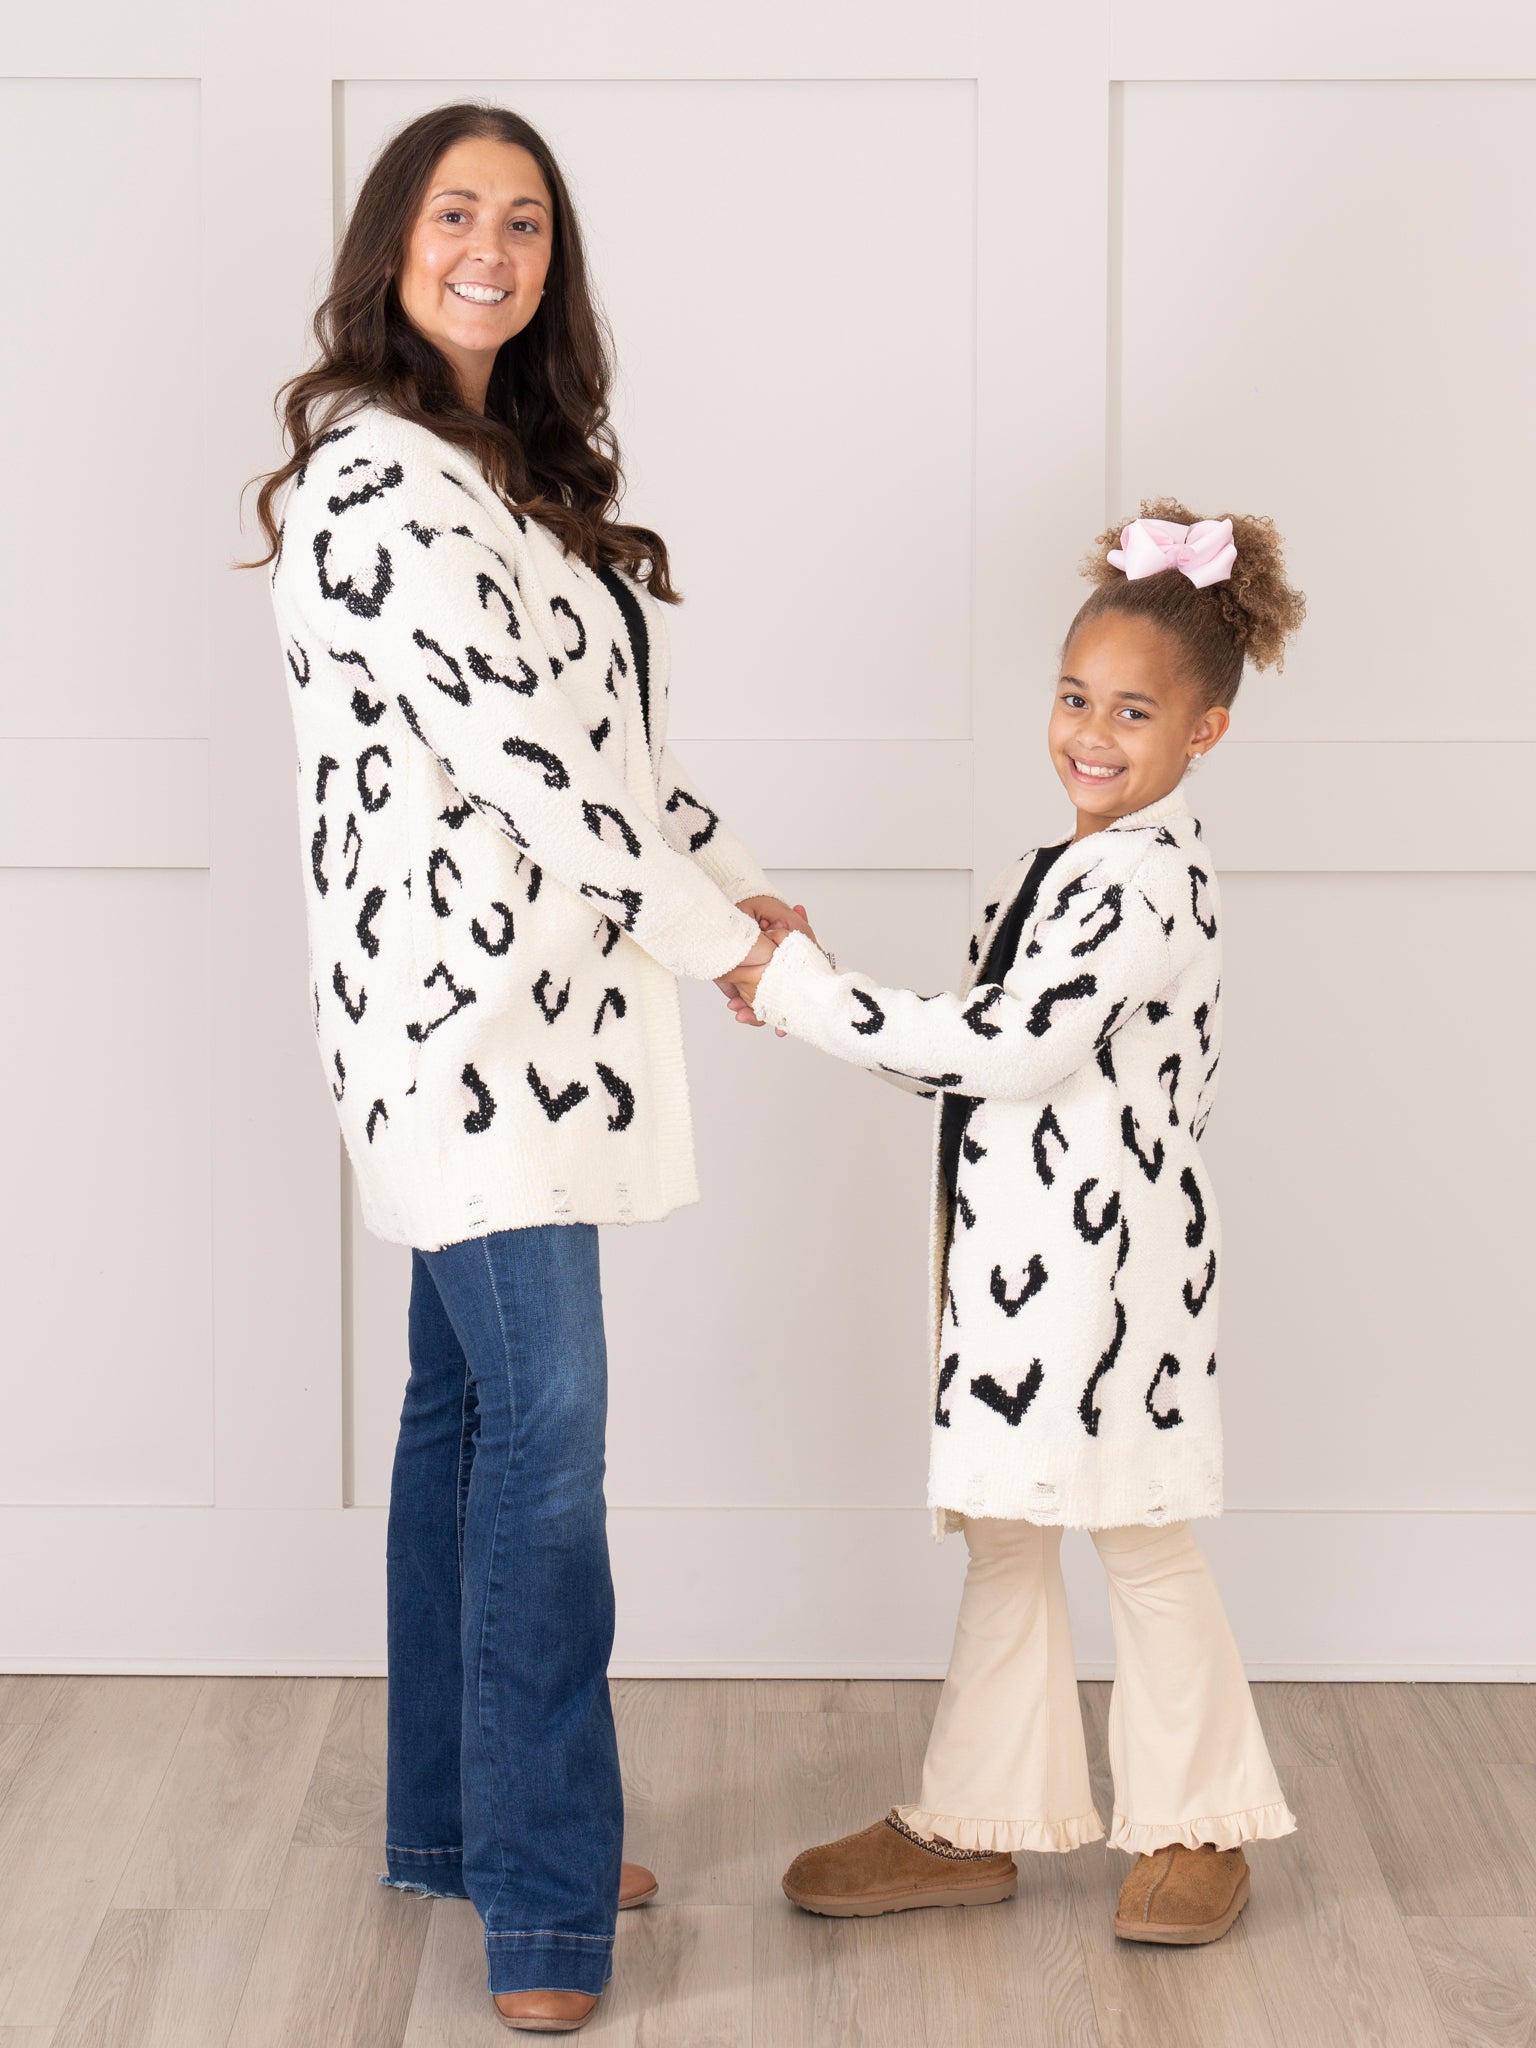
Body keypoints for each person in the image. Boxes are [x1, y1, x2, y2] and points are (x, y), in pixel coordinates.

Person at [247, 103, 805, 2034]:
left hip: (537, 1027)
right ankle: (549, 1904)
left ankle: (460, 1824)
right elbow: (533, 776)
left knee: (467, 1421)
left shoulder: (504, 473)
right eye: (455, 213)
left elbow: (612, 749)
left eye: (527, 223)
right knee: (547, 1439)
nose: (490, 249)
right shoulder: (379, 485)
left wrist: (739, 887)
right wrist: (721, 942)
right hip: (462, 1036)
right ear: (391, 241)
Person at [729, 504, 1305, 1946]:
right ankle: (979, 1816)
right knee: (1006, 1528)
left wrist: (801, 991)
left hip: (1110, 1282)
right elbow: (990, 1058)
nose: (1091, 735)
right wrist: (809, 985)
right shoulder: (1066, 866)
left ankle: (1200, 1823)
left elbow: (1008, 1044)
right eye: (1073, 697)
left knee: (1137, 1531)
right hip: (1013, 1273)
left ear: (1205, 732)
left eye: (1133, 712)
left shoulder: (1143, 883)